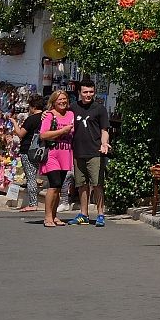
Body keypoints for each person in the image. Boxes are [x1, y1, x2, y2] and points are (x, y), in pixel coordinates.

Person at [69, 78, 111, 227]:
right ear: (79, 92)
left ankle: (100, 214)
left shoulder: (100, 109)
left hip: (95, 152)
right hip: (78, 151)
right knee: (81, 185)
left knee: (97, 184)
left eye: (91, 92)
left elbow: (104, 129)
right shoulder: (73, 108)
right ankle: (84, 214)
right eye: (85, 92)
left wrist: (104, 143)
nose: (88, 95)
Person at [37, 91, 75, 228]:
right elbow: (43, 135)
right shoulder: (49, 115)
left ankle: (54, 215)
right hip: (52, 154)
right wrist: (62, 131)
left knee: (59, 187)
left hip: (66, 154)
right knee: (54, 184)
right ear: (53, 101)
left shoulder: (71, 114)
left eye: (64, 99)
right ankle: (47, 217)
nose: (62, 102)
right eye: (59, 100)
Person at [12, 95, 45, 213]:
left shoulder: (31, 119)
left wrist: (14, 123)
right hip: (42, 150)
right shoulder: (46, 118)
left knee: (31, 177)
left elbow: (21, 133)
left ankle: (33, 203)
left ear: (33, 106)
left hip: (28, 150)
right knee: (35, 175)